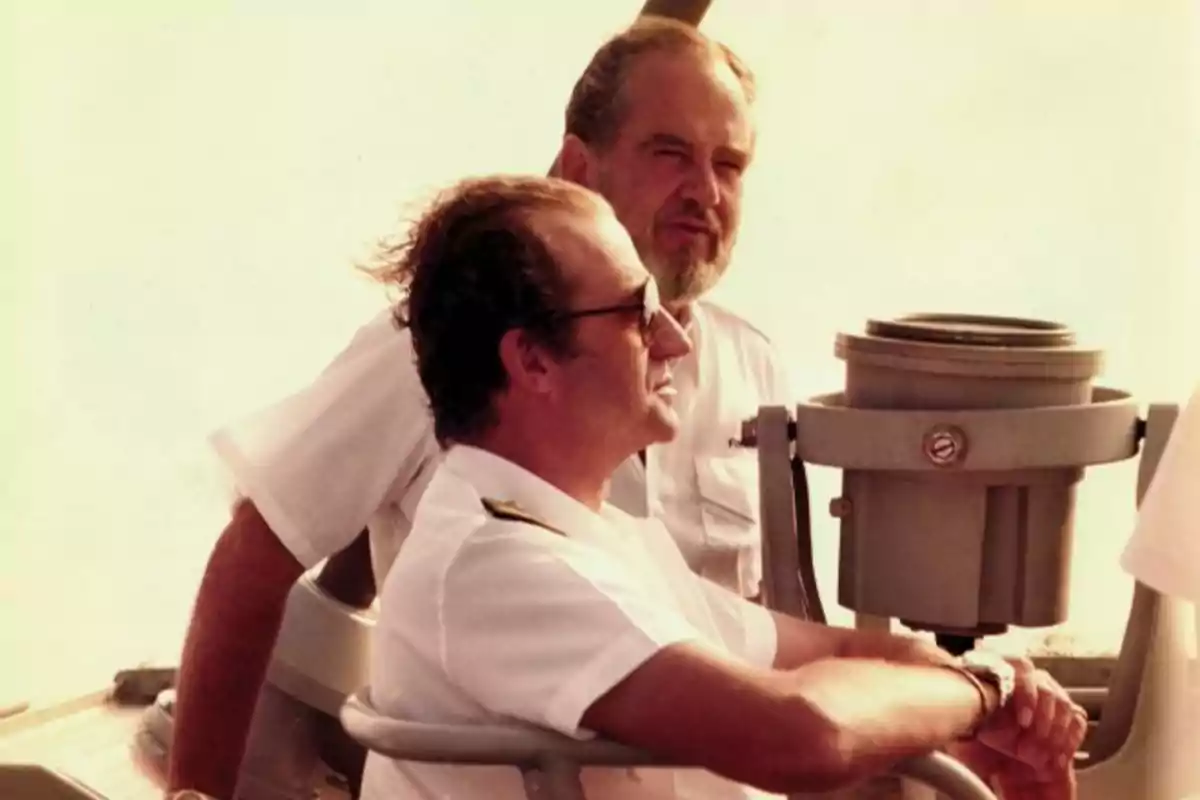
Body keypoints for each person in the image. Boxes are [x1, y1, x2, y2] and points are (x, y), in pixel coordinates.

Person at [169, 17, 793, 800]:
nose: (704, 191)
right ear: (579, 166)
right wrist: (194, 793)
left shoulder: (752, 365)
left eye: (729, 165)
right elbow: (255, 559)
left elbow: (775, 624)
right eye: (669, 153)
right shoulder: (427, 349)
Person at [362, 172, 1087, 800]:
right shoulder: (494, 563)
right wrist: (980, 691)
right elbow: (801, 733)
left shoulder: (590, 535)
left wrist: (982, 695)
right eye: (637, 315)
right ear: (533, 362)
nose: (676, 340)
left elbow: (831, 657)